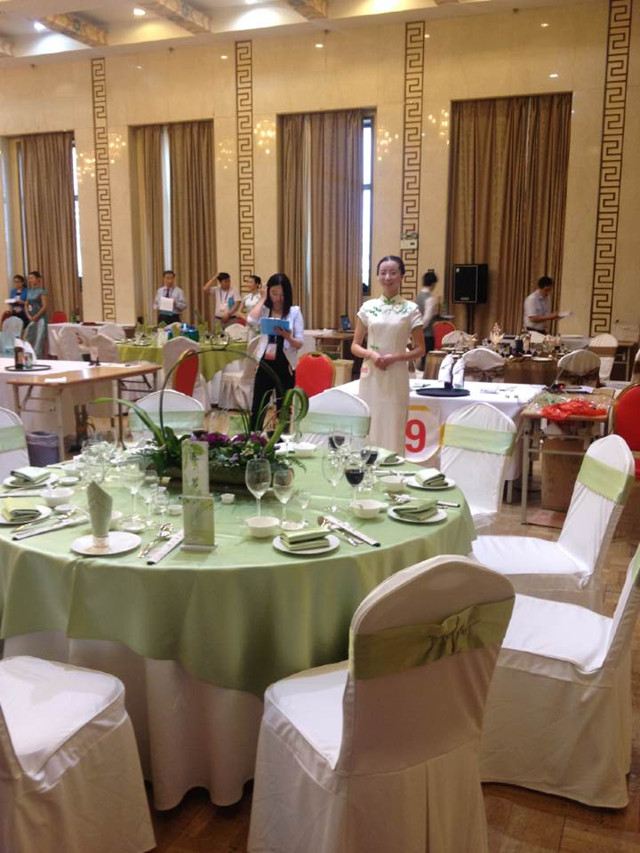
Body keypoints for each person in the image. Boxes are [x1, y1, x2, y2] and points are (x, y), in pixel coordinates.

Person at [352, 255, 424, 454]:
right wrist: (372, 355)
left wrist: (396, 357)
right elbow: (355, 346)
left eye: (393, 273)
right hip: (371, 375)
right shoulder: (368, 308)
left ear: (401, 276)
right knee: (370, 422)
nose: (387, 277)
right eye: (383, 273)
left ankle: (394, 466)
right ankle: (368, 465)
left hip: (396, 375)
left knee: (394, 424)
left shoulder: (411, 309)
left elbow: (420, 348)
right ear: (377, 276)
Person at [247, 273, 304, 431]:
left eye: (282, 294)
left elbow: (299, 343)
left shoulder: (294, 312)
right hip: (265, 363)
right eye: (274, 293)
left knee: (283, 407)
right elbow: (250, 321)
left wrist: (287, 336)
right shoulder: (265, 310)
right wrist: (263, 298)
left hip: (285, 364)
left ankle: (282, 439)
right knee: (258, 405)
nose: (278, 298)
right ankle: (254, 437)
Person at [416, 269, 439, 368]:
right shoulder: (430, 299)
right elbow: (426, 319)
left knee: (421, 359)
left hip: (418, 333)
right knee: (426, 363)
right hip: (427, 335)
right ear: (433, 284)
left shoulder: (419, 296)